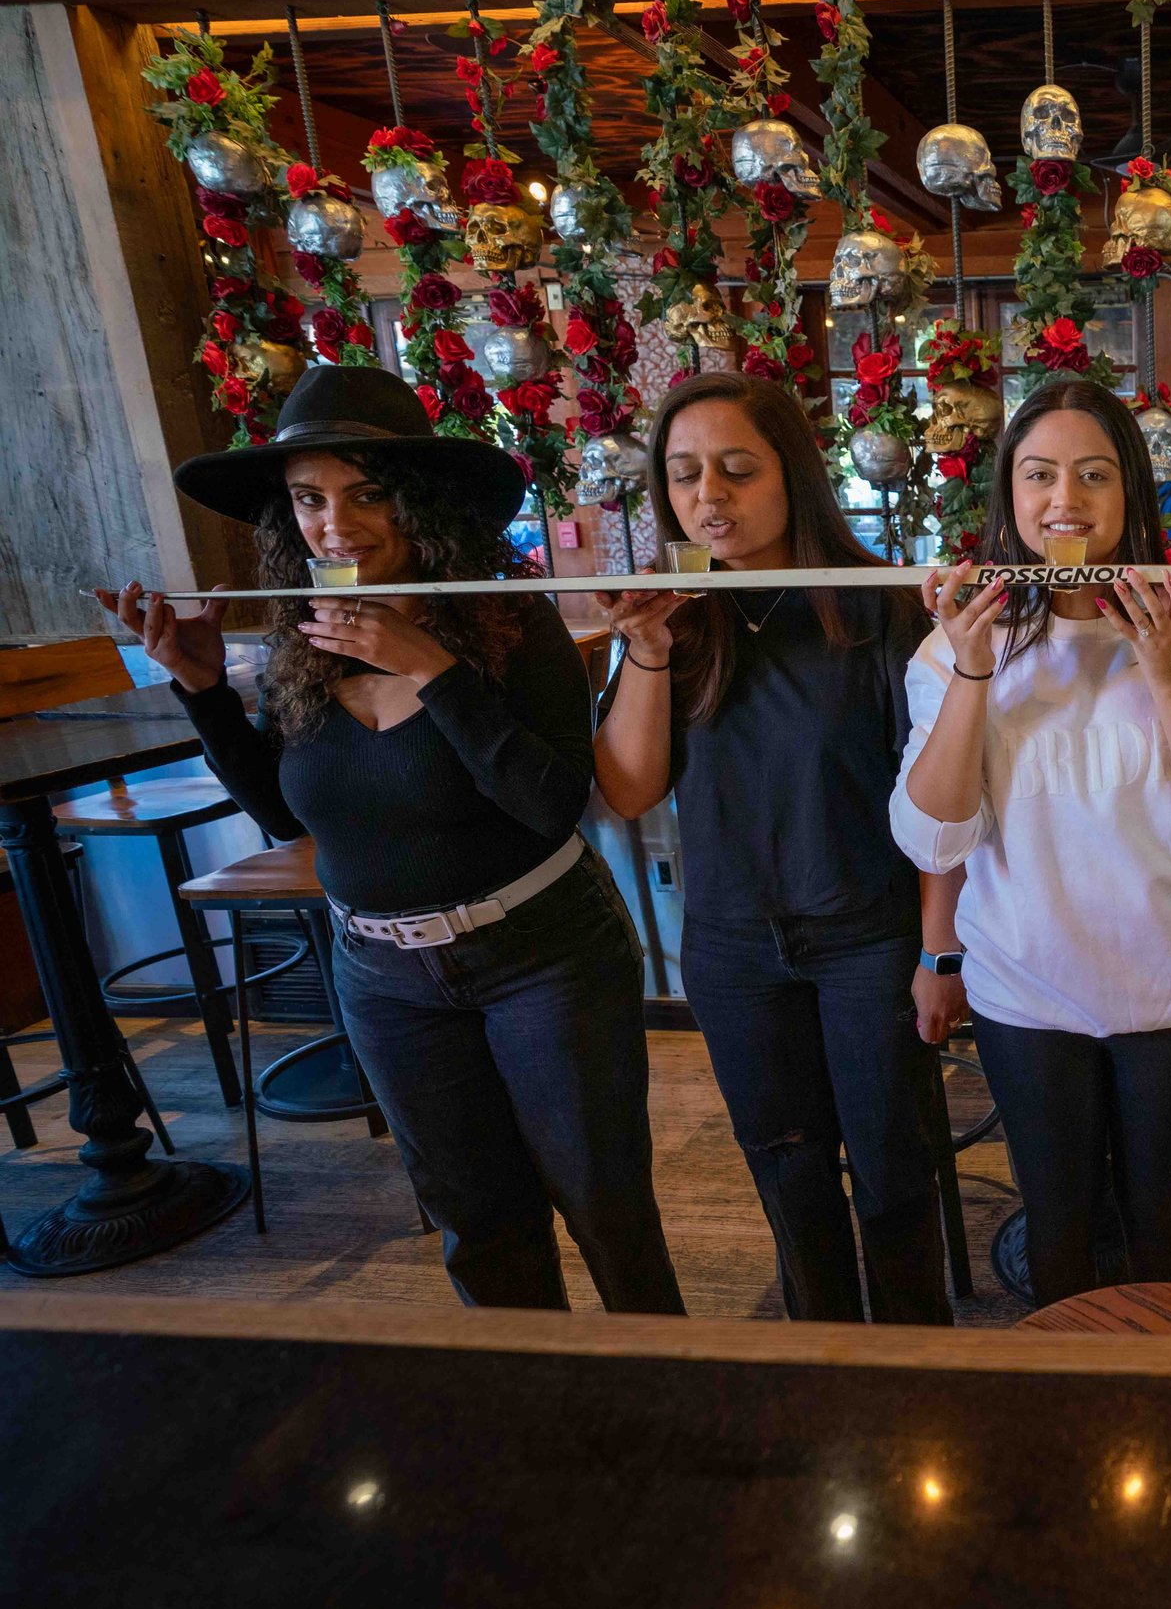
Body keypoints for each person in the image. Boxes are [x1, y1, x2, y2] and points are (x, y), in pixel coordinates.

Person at [104, 364, 683, 1313]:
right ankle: (528, 1398)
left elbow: (553, 804)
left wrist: (430, 667)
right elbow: (288, 815)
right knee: (478, 1224)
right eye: (309, 499)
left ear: (418, 503)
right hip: (382, 977)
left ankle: (669, 1392)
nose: (335, 524)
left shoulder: (509, 622)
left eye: (366, 493)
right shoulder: (304, 639)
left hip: (542, 955)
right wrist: (203, 688)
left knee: (605, 1206)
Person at [889, 379, 1171, 1307]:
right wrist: (972, 671)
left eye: (1094, 474)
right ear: (1009, 495)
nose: (1065, 498)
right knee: (1056, 1217)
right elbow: (933, 835)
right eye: (1040, 475)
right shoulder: (959, 641)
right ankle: (1066, 1380)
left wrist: (1169, 675)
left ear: (1129, 491)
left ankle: (1162, 1376)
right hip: (1026, 992)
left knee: (1159, 1215)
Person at [592, 372, 959, 1325]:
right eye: (683, 475)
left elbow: (940, 806)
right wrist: (648, 651)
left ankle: (923, 1369)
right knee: (787, 1174)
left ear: (792, 472)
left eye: (736, 469)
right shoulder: (669, 615)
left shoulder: (879, 605)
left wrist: (939, 951)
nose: (708, 495)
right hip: (731, 945)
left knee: (893, 1174)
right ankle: (820, 1359)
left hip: (869, 937)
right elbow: (629, 789)